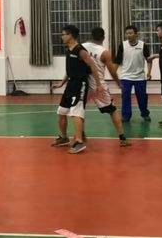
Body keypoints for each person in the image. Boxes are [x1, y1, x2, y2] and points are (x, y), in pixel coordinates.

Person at [51, 25, 102, 154]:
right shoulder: (68, 50)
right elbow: (69, 70)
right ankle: (64, 138)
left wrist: (99, 84)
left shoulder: (81, 51)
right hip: (70, 84)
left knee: (76, 113)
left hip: (80, 84)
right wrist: (61, 83)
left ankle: (79, 141)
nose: (62, 37)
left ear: (70, 35)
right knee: (61, 112)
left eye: (63, 34)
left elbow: (93, 67)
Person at [82, 27, 131, 147]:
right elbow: (112, 71)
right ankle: (122, 138)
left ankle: (80, 135)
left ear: (91, 36)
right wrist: (119, 83)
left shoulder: (82, 47)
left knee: (79, 109)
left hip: (84, 84)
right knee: (112, 110)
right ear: (103, 38)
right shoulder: (104, 52)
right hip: (98, 85)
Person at [114, 25, 152, 123]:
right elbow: (117, 61)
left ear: (136, 34)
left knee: (142, 97)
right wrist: (113, 74)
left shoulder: (143, 45)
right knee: (125, 96)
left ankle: (145, 113)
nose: (128, 35)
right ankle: (126, 116)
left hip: (140, 77)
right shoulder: (122, 45)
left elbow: (148, 60)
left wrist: (149, 72)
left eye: (130, 33)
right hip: (126, 76)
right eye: (127, 33)